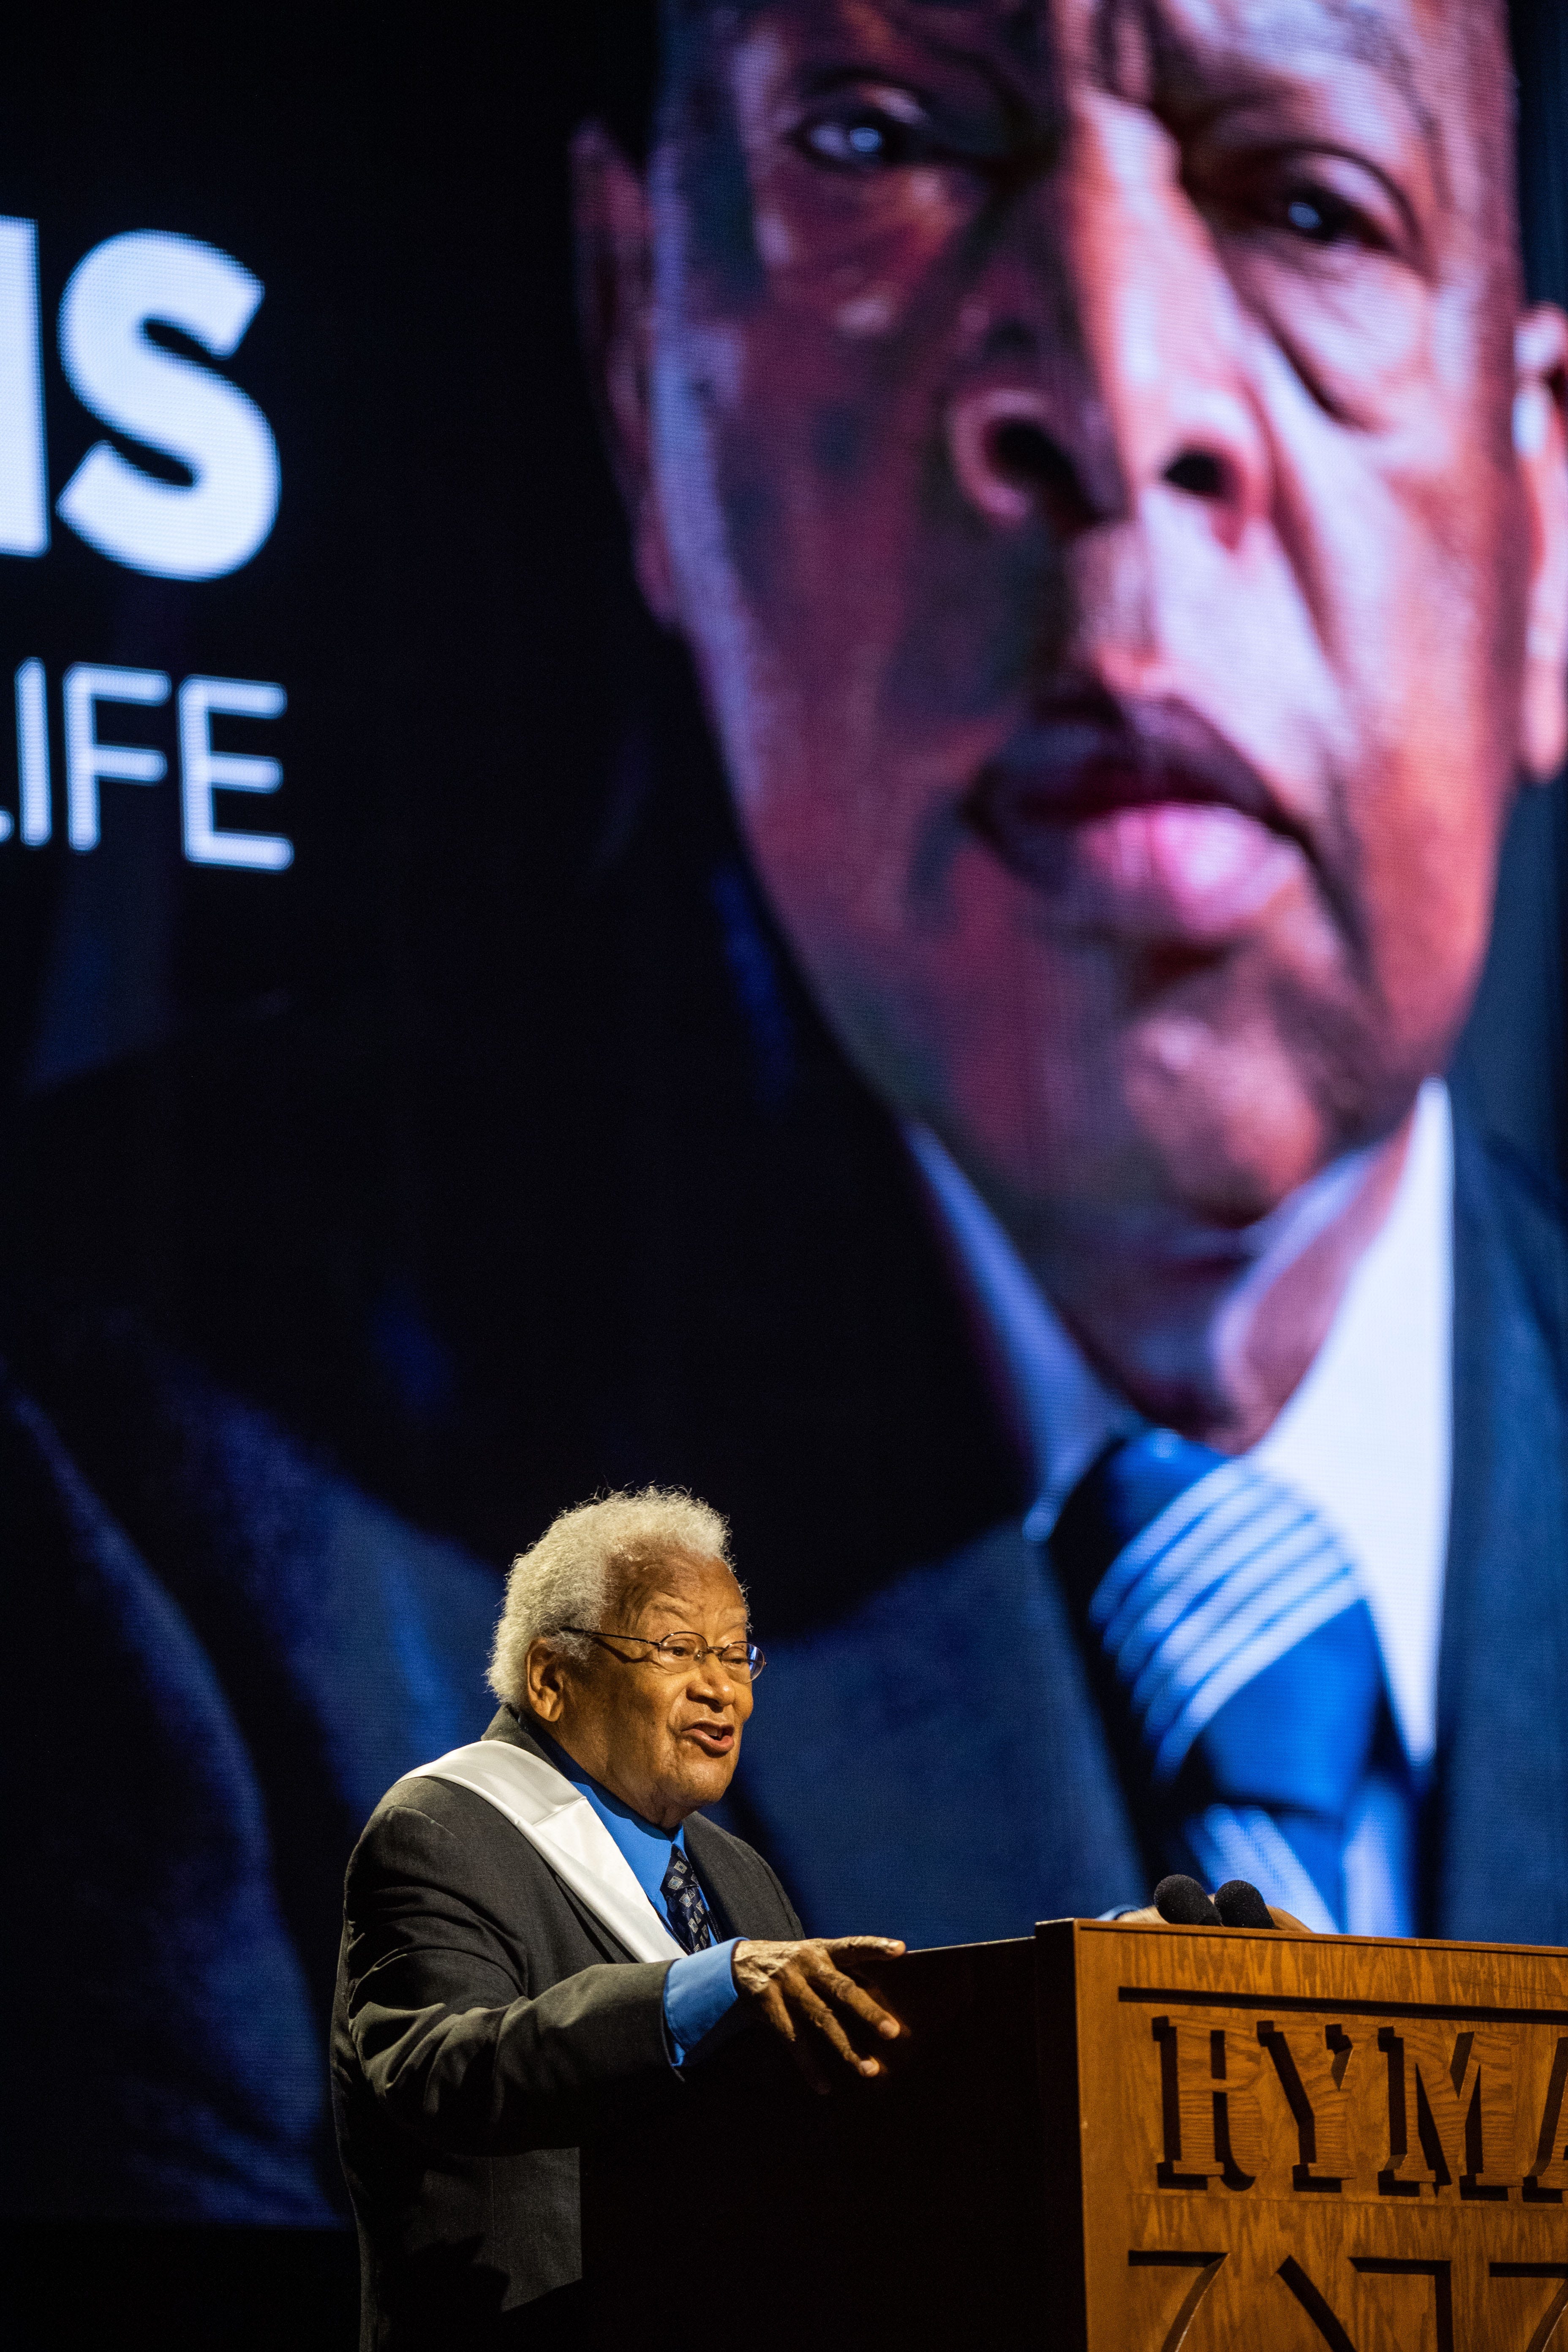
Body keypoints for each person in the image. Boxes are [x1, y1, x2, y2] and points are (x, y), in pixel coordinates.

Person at [569, 0, 1568, 1949]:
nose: (1120, 394)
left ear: (1541, 537)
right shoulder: (168, 1551)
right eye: (878, 149)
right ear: (639, 367)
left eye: (1308, 203)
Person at [332, 1486, 905, 2347]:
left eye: (735, 1652)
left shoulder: (736, 1873)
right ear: (552, 1679)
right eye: (676, 1648)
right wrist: (696, 1991)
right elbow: (438, 2070)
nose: (721, 1688)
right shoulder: (440, 1830)